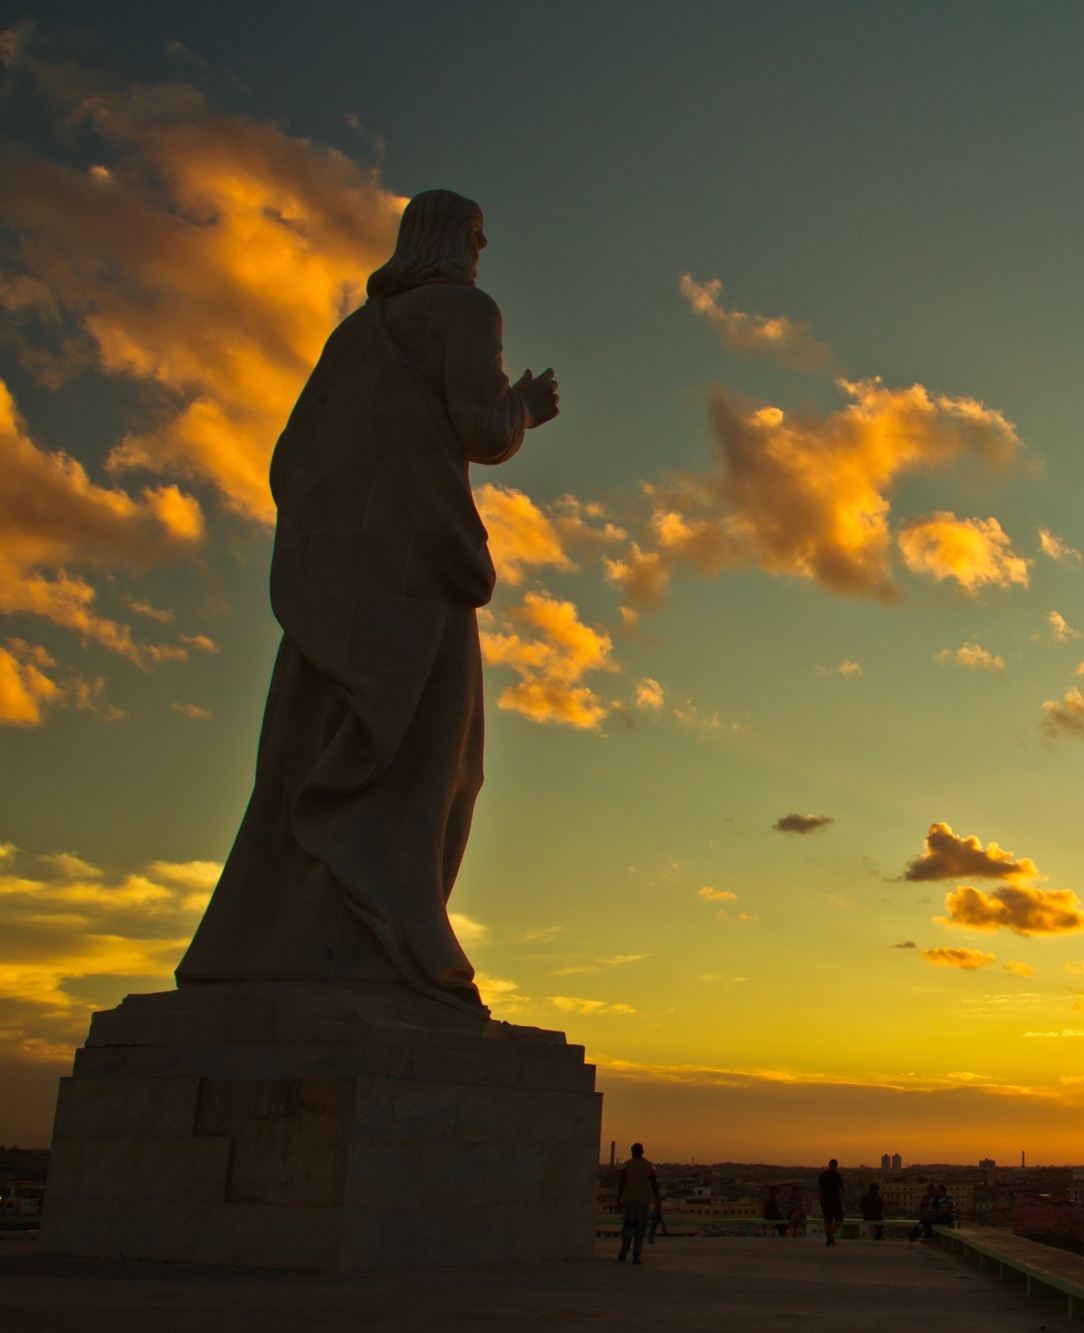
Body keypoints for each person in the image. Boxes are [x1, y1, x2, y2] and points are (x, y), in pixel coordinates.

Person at [176, 189, 560, 1012]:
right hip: (417, 582)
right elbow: (484, 429)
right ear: (455, 241)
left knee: (309, 760)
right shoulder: (466, 311)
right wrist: (526, 405)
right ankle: (396, 935)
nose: (481, 255)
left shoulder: (349, 340)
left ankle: (290, 943)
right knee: (442, 768)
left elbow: (296, 458)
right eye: (478, 240)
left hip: (338, 599)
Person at [616, 1143, 660, 1265]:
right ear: (642, 1151)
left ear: (632, 1152)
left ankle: (625, 1245)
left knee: (627, 1226)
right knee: (640, 1230)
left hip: (629, 1199)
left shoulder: (627, 1165)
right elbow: (654, 1184)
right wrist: (658, 1200)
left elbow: (622, 1183)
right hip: (643, 1200)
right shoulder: (649, 1166)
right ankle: (636, 1256)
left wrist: (618, 1200)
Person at [818, 1159, 845, 1246]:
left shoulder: (823, 1175)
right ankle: (831, 1234)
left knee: (827, 1220)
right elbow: (842, 1188)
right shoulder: (837, 1175)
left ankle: (829, 1237)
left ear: (829, 1165)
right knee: (839, 1218)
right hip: (835, 1200)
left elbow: (820, 1186)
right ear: (836, 1166)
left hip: (824, 1200)